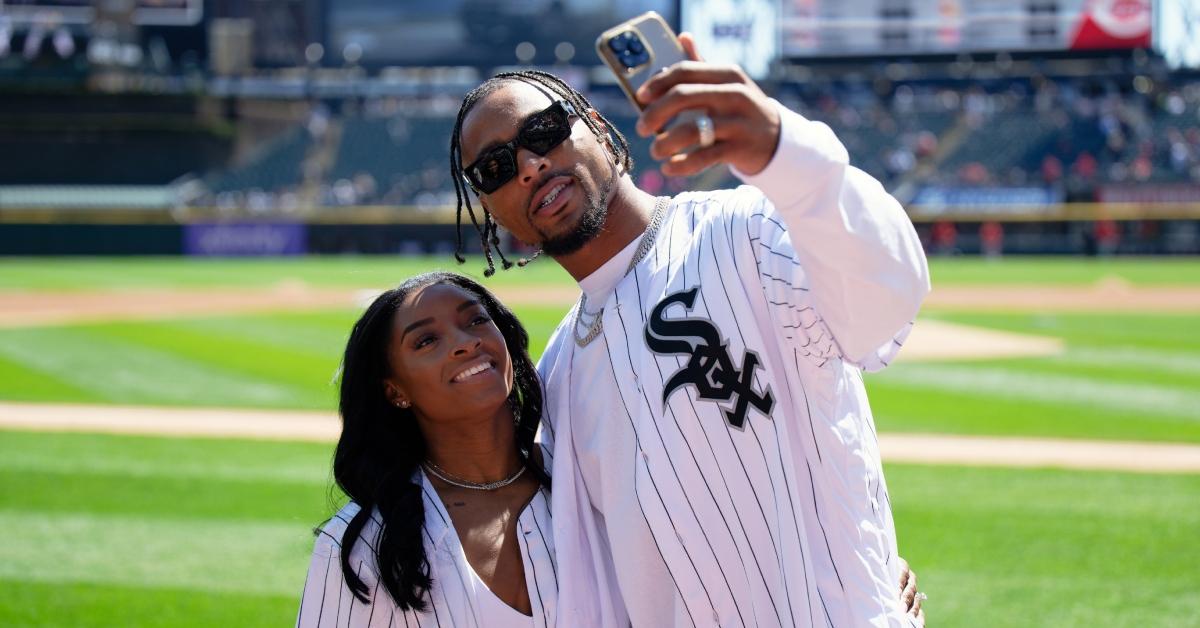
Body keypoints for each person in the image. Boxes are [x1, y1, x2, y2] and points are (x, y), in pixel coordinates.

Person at [450, 33, 929, 627]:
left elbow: (887, 300)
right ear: (490, 208)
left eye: (543, 132)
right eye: (495, 168)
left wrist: (786, 152)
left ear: (595, 126)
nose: (528, 165)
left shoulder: (746, 229)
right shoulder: (559, 375)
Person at [297, 272, 556, 627]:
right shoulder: (367, 544)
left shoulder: (582, 479)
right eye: (427, 340)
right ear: (395, 391)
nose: (466, 343)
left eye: (477, 320)